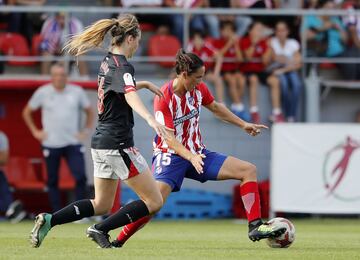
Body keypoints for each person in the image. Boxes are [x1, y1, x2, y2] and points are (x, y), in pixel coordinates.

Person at [111, 49, 286, 248]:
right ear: (184, 74)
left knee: (248, 170)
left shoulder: (198, 89)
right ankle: (117, 241)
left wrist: (243, 124)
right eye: (198, 77)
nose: (200, 82)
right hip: (170, 155)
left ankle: (255, 226)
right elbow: (168, 138)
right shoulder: (163, 97)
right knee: (153, 205)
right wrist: (190, 156)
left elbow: (216, 108)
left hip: (198, 153)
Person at [29, 13, 172, 249]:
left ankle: (50, 219)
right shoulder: (122, 66)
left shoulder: (108, 62)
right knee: (154, 200)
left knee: (102, 204)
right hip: (118, 144)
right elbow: (129, 95)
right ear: (130, 37)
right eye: (138, 39)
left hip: (100, 143)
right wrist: (149, 118)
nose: (139, 44)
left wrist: (142, 84)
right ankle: (100, 228)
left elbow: (119, 90)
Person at [23, 63, 93, 213]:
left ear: (66, 76)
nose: (59, 78)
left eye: (62, 75)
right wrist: (36, 131)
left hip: (72, 142)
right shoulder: (43, 92)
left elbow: (90, 111)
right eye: (56, 75)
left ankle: (79, 213)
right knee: (52, 180)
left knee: (80, 177)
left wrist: (85, 131)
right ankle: (56, 214)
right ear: (52, 76)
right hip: (51, 143)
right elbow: (27, 112)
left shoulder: (77, 91)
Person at [240, 21, 284, 124]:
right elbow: (248, 57)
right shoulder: (245, 41)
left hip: (260, 70)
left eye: (261, 30)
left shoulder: (264, 42)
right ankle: (254, 111)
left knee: (274, 81)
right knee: (253, 79)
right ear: (250, 31)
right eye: (257, 29)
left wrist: (269, 47)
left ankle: (277, 112)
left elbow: (265, 61)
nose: (260, 32)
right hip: (247, 70)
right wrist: (254, 43)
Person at [270, 21, 302, 122]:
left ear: (287, 31)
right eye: (278, 30)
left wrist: (283, 68)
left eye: (283, 30)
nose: (281, 33)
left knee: (296, 85)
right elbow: (274, 58)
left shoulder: (293, 43)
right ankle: (285, 114)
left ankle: (291, 116)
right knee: (283, 86)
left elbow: (299, 63)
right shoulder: (271, 41)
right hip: (279, 70)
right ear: (275, 32)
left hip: (284, 70)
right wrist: (290, 60)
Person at [39, 12, 88, 76]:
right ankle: (44, 80)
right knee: (46, 55)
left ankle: (85, 80)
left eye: (64, 18)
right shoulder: (48, 23)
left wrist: (66, 53)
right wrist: (55, 49)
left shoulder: (76, 24)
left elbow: (80, 44)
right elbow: (44, 42)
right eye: (59, 18)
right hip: (53, 51)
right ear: (56, 17)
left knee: (81, 54)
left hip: (70, 51)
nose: (62, 20)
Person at [187, 30, 225, 103]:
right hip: (193, 73)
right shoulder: (190, 47)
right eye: (195, 39)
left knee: (218, 79)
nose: (197, 41)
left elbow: (219, 57)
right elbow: (187, 62)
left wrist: (215, 73)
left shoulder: (207, 46)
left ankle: (221, 104)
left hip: (206, 72)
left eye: (200, 39)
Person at [0, 131, 27, 223]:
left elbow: (3, 159)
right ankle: (11, 212)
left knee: (1, 178)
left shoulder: (1, 137)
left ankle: (10, 210)